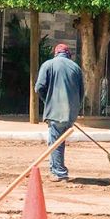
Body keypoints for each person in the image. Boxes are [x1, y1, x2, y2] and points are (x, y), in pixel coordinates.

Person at [34, 44, 84, 182]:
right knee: (57, 141)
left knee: (55, 142)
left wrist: (47, 101)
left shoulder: (48, 65)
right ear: (68, 54)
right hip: (70, 113)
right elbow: (81, 93)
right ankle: (54, 169)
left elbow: (39, 88)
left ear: (56, 53)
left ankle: (59, 172)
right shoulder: (76, 67)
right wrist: (74, 109)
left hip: (55, 111)